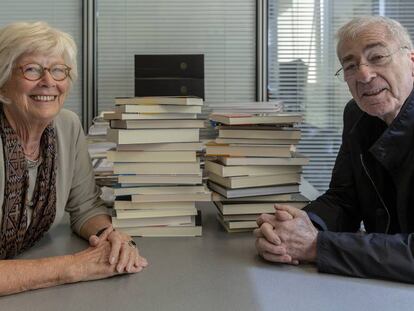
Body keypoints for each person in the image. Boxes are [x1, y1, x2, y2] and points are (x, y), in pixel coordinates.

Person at [254, 16, 414, 283]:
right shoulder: (357, 115)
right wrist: (295, 227)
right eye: (350, 65)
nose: (364, 74)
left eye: (377, 56)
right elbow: (344, 198)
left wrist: (317, 246)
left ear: (411, 61)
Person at [0, 21, 148, 296]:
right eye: (32, 69)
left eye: (58, 70)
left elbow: (86, 206)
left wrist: (110, 237)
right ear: (3, 81)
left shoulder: (67, 125)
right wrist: (74, 267)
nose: (49, 82)